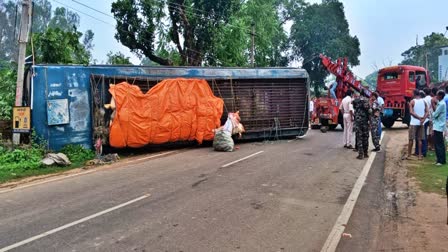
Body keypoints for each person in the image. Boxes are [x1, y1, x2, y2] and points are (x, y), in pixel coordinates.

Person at [406, 89, 429, 160]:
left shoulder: (412, 101)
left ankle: (409, 155)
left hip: (413, 123)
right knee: (420, 139)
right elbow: (427, 112)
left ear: (414, 94)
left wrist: (419, 118)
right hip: (421, 123)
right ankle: (419, 155)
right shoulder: (424, 101)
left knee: (411, 139)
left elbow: (411, 112)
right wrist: (423, 119)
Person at [354, 90, 371, 159]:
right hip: (365, 121)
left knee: (359, 137)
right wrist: (369, 120)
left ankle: (361, 154)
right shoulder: (367, 100)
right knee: (365, 137)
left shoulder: (356, 100)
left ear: (360, 94)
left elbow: (354, 108)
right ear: (365, 94)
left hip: (358, 121)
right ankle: (366, 153)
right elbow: (369, 111)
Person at [415, 88, 432, 157]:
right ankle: (423, 151)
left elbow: (424, 111)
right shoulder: (431, 99)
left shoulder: (422, 101)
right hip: (428, 119)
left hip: (423, 120)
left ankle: (421, 152)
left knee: (421, 136)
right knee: (424, 135)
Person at [432, 90, 447, 165]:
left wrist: (432, 112)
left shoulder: (441, 104)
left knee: (439, 144)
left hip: (439, 126)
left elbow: (435, 115)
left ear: (440, 96)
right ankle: (440, 159)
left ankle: (441, 160)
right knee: (438, 144)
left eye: (437, 95)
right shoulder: (440, 103)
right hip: (438, 126)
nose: (436, 96)